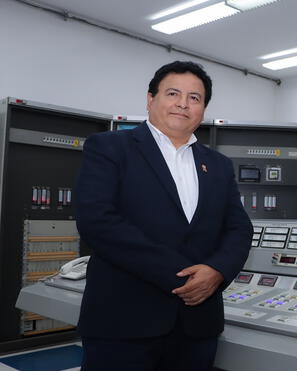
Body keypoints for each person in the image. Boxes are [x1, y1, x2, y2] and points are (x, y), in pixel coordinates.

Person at [75, 60, 253, 371]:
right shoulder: (109, 147)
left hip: (197, 326)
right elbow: (98, 221)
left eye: (194, 98)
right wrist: (185, 278)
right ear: (150, 98)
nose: (183, 104)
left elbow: (238, 228)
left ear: (203, 108)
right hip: (123, 323)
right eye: (173, 93)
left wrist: (217, 271)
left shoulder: (218, 165)